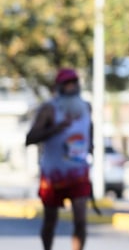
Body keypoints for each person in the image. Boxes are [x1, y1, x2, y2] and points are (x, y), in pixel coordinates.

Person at [25, 68, 93, 250]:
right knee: (50, 220)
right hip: (53, 175)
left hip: (79, 172)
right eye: (67, 84)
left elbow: (89, 132)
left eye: (74, 83)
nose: (71, 87)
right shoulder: (49, 109)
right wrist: (55, 129)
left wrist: (90, 149)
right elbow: (29, 138)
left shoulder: (86, 107)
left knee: (80, 219)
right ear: (60, 87)